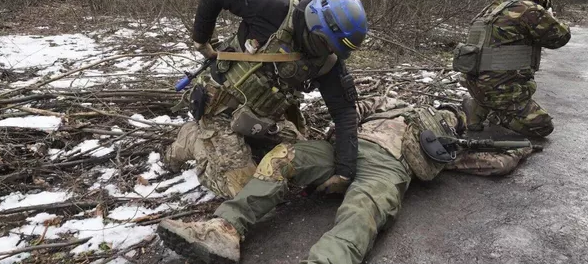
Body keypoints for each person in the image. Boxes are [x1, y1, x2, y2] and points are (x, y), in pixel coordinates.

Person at [156, 96, 540, 264]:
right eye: (450, 111)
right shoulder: (398, 104)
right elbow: (353, 108)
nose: (451, 115)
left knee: (362, 211)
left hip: (388, 167)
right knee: (284, 156)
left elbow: (492, 163)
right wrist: (336, 144)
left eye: (457, 115)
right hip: (345, 149)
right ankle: (225, 227)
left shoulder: (454, 143)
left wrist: (519, 149)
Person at [164, 0, 368, 198]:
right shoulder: (271, 7)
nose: (329, 52)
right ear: (316, 25)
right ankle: (192, 138)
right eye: (327, 44)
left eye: (335, 49)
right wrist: (201, 40)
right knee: (248, 194)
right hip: (219, 112)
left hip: (262, 121)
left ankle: (246, 149)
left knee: (305, 165)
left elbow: (344, 112)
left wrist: (345, 173)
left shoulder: (328, 60)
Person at [453, 0, 571, 137]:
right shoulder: (529, 9)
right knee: (543, 126)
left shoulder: (493, 7)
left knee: (495, 88)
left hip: (475, 84)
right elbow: (560, 38)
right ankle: (496, 113)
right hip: (501, 90)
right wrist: (549, 15)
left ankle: (478, 106)